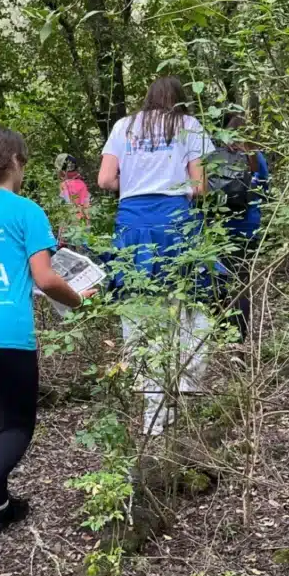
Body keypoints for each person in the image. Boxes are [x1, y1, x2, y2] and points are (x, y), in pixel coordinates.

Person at [0, 126, 92, 563]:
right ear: (14, 163)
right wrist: (80, 298)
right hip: (6, 336)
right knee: (19, 425)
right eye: (23, 163)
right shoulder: (26, 211)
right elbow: (46, 279)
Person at [97, 75, 216, 435]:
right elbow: (199, 187)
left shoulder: (123, 126)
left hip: (132, 223)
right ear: (181, 101)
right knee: (186, 304)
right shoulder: (189, 125)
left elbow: (104, 181)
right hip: (175, 222)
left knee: (138, 306)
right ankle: (181, 391)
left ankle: (152, 405)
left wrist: (134, 182)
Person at [212, 113, 270, 341]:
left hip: (219, 228)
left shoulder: (215, 157)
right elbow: (264, 192)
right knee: (241, 282)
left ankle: (220, 334)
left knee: (218, 280)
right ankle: (238, 339)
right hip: (248, 228)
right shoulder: (257, 158)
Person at [54, 152, 91, 239]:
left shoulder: (64, 185)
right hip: (83, 229)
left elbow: (65, 209)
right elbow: (87, 209)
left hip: (69, 230)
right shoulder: (82, 184)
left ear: (63, 172)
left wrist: (61, 235)